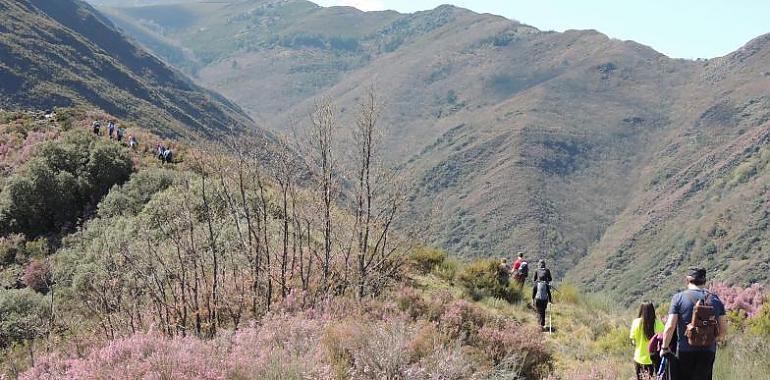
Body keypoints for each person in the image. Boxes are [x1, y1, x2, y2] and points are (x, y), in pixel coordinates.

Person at [660, 267, 727, 380]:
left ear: (687, 280)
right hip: (708, 351)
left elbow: (670, 326)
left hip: (685, 351)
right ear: (704, 281)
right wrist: (714, 341)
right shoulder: (715, 300)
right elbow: (724, 330)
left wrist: (664, 347)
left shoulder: (678, 298)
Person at [630, 302, 665, 380]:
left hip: (638, 358)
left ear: (641, 310)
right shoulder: (659, 324)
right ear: (653, 311)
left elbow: (633, 342)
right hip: (653, 360)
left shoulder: (636, 322)